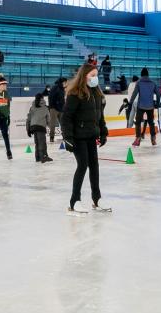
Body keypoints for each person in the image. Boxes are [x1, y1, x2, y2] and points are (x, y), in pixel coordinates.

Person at [59, 61, 110, 216]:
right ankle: (74, 202)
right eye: (92, 75)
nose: (95, 78)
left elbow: (99, 116)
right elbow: (66, 117)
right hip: (78, 137)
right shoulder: (75, 93)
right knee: (82, 166)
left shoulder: (96, 93)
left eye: (96, 75)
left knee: (94, 166)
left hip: (91, 135)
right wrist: (67, 138)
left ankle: (96, 198)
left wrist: (103, 132)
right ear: (84, 76)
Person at [131, 69, 160, 146]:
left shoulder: (139, 82)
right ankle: (153, 139)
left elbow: (134, 94)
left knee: (138, 122)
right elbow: (158, 94)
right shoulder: (153, 83)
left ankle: (138, 138)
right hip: (150, 106)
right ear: (148, 75)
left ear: (141, 75)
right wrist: (157, 103)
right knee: (151, 123)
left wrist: (130, 103)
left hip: (141, 106)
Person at [27, 92, 56, 162]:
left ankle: (37, 157)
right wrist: (51, 128)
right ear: (42, 98)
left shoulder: (32, 107)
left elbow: (28, 118)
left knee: (37, 143)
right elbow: (48, 119)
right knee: (42, 142)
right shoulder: (45, 107)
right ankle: (43, 157)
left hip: (33, 127)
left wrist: (28, 129)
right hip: (40, 127)